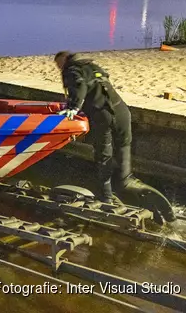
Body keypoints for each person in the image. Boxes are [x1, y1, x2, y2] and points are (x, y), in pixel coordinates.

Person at [55, 51, 174, 221]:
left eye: (58, 63)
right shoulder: (92, 66)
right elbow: (98, 83)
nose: (58, 67)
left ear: (65, 60)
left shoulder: (71, 70)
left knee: (104, 157)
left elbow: (79, 85)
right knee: (125, 173)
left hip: (102, 116)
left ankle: (106, 198)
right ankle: (133, 188)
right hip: (122, 112)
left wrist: (74, 107)